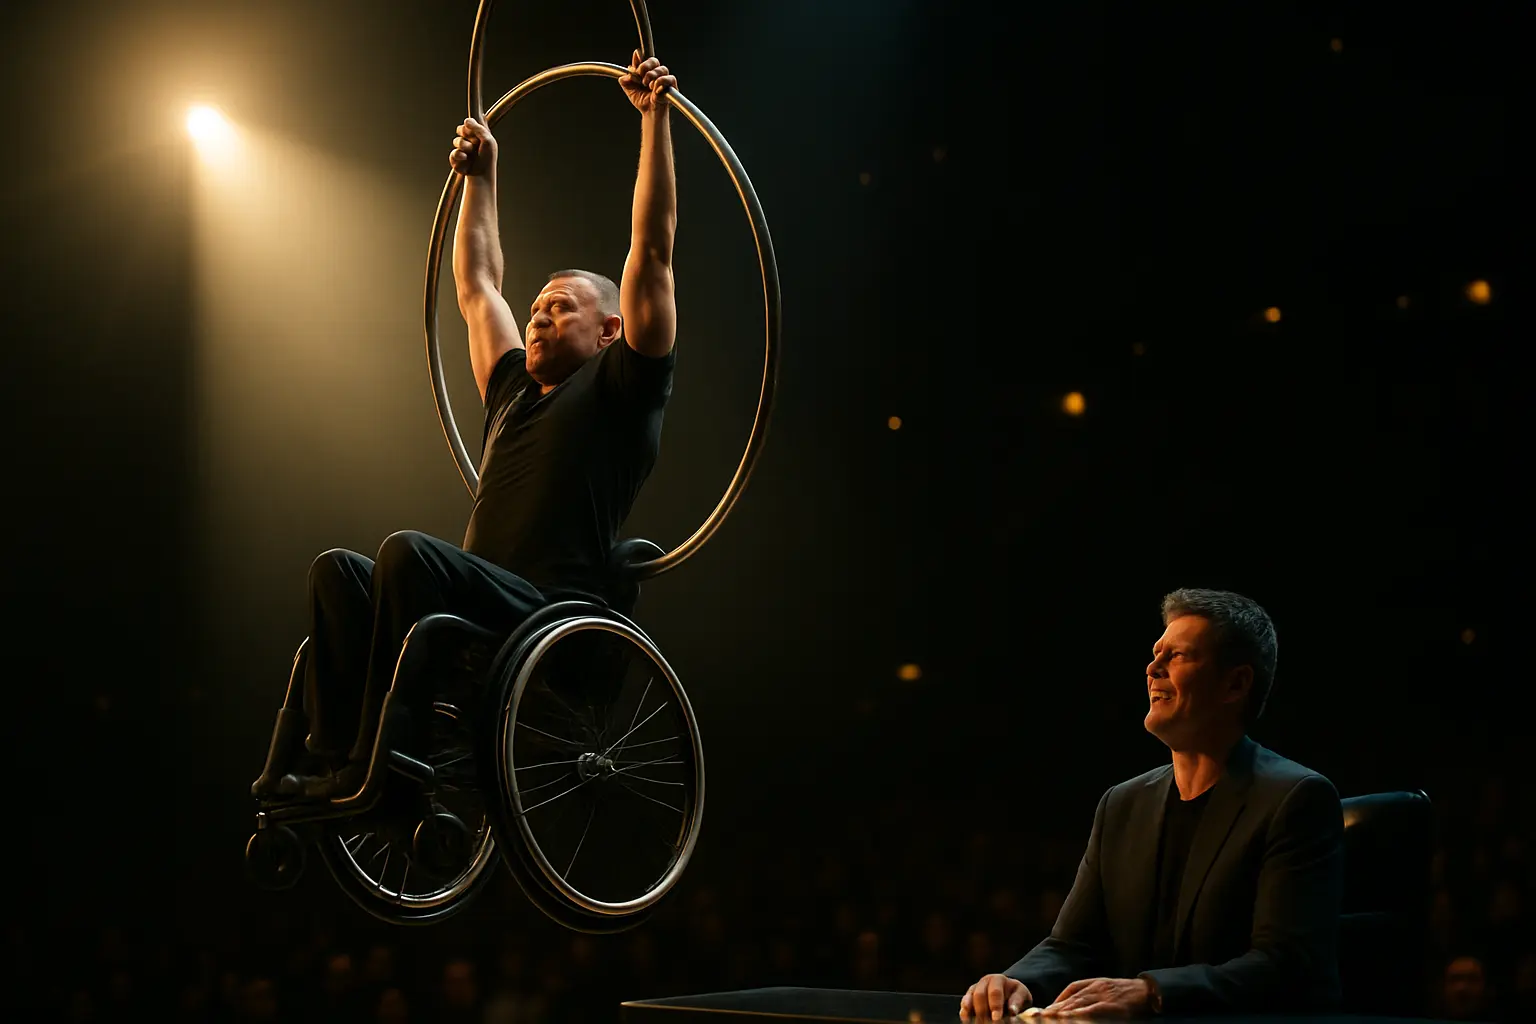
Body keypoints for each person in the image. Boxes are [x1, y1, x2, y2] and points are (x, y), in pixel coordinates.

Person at [250, 51, 681, 800]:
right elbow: (478, 283)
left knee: (410, 556)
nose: (540, 315)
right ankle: (331, 753)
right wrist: (481, 176)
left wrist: (654, 122)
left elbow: (654, 247)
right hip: (479, 601)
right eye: (538, 305)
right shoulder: (513, 392)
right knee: (336, 573)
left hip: (547, 611)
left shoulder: (624, 387)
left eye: (561, 306)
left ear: (611, 330)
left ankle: (392, 762)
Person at [961, 589, 1344, 1018]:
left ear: (1235, 683)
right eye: (1155, 653)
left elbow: (1284, 965)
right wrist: (1017, 982)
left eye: (1176, 656)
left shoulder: (1295, 798)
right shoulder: (1121, 804)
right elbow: (1073, 945)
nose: (1151, 668)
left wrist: (1151, 991)